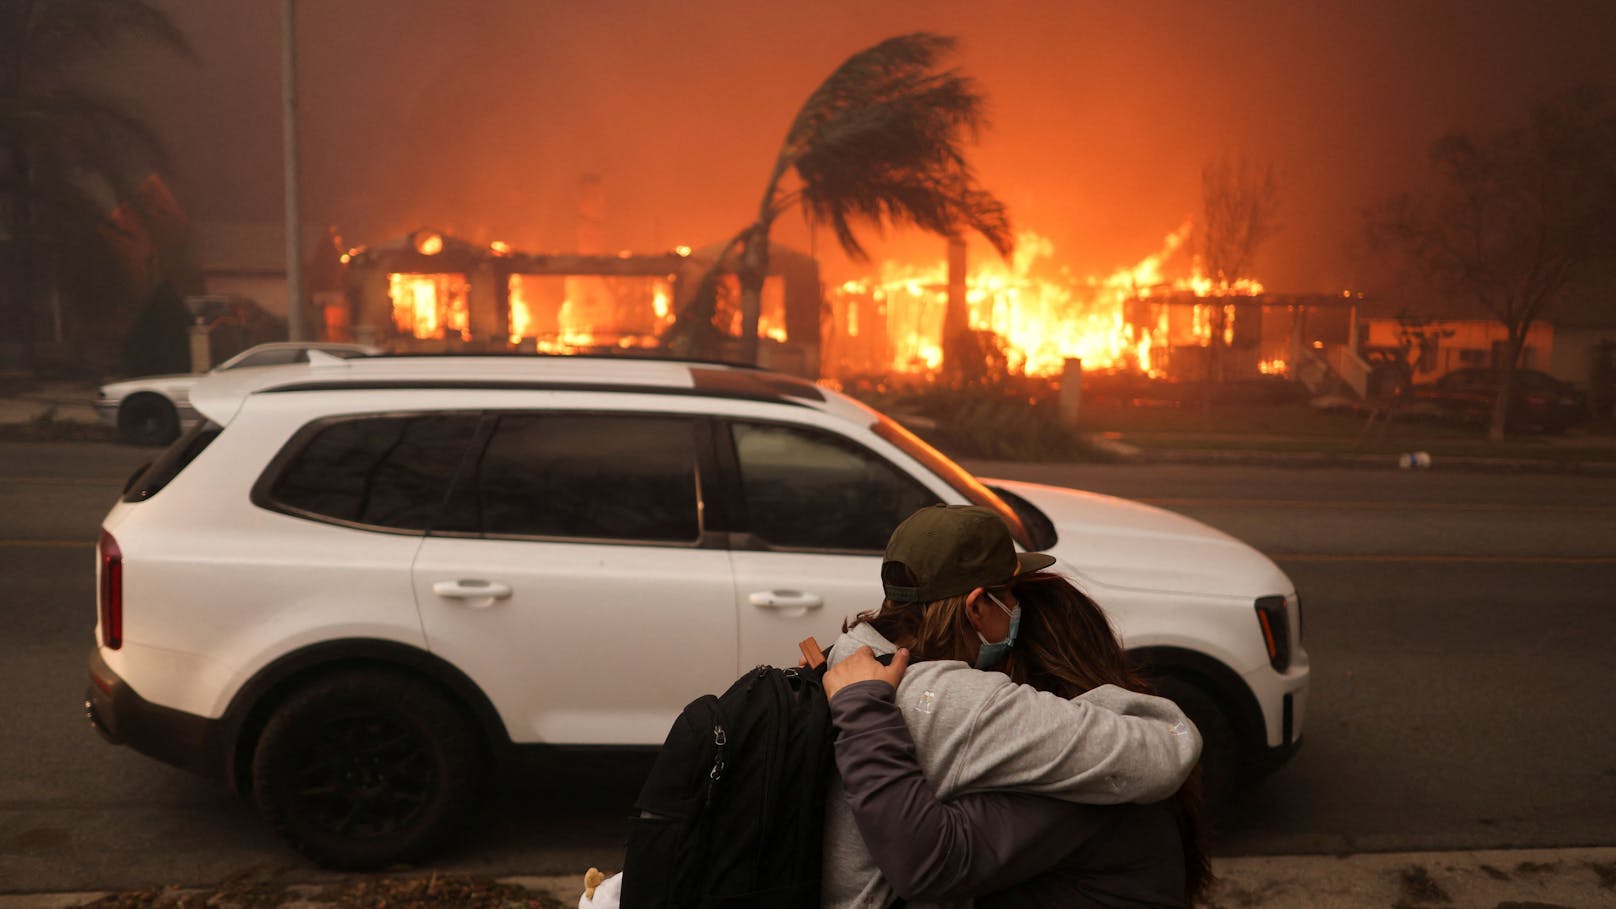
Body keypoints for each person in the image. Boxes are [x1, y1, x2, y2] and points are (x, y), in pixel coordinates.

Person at [820, 504, 1202, 909]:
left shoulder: (849, 658)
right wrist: (1070, 708)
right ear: (977, 607)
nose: (1015, 607)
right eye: (1011, 594)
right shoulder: (967, 703)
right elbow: (1167, 749)